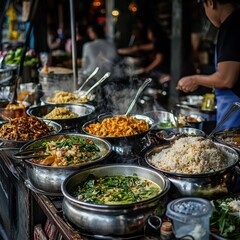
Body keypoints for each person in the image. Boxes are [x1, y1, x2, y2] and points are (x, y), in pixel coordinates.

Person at [177, 0, 240, 131]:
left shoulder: (232, 26)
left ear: (210, 3)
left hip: (236, 110)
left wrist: (195, 79)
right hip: (229, 107)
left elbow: (226, 79)